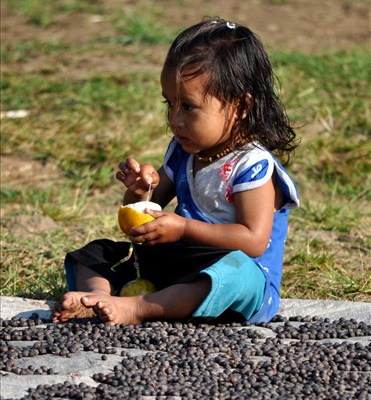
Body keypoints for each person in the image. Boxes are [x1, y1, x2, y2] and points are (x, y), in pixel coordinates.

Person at [52, 17, 299, 326]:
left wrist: (183, 229)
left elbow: (253, 241)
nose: (174, 118)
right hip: (180, 263)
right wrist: (140, 192)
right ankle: (96, 297)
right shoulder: (183, 152)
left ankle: (139, 308)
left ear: (241, 106)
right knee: (97, 253)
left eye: (188, 107)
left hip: (233, 279)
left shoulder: (252, 166)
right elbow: (141, 220)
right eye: (169, 104)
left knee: (236, 272)